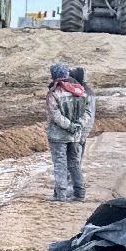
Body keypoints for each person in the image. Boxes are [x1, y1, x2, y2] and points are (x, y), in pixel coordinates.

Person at [45, 63, 89, 201]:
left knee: (60, 164)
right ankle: (80, 194)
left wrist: (69, 126)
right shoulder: (80, 91)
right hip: (75, 135)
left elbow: (55, 115)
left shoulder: (54, 93)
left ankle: (61, 194)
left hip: (58, 135)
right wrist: (77, 126)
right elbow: (87, 113)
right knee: (74, 164)